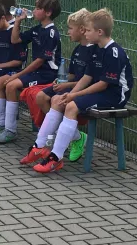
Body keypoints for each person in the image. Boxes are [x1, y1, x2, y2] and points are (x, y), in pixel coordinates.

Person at [30, 8, 134, 173]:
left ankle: (55, 158)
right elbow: (87, 77)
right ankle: (39, 145)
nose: (86, 34)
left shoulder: (113, 52)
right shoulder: (95, 49)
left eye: (89, 31)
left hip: (115, 96)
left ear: (99, 32)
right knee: (58, 100)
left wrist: (74, 96)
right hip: (102, 92)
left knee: (71, 106)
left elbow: (103, 84)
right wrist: (69, 94)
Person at [20, 8, 95, 164]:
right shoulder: (77, 50)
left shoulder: (93, 51)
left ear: (82, 30)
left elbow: (88, 81)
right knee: (41, 96)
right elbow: (73, 76)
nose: (68, 32)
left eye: (70, 28)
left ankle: (60, 142)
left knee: (57, 101)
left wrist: (67, 85)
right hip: (73, 86)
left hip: (84, 90)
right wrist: (61, 81)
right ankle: (74, 136)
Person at [0, 0, 62, 144]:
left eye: (38, 9)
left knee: (12, 84)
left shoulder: (51, 32)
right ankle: (6, 127)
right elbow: (15, 40)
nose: (34, 11)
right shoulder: (37, 29)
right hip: (37, 72)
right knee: (9, 85)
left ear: (48, 12)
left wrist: (18, 75)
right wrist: (18, 21)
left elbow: (40, 61)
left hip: (47, 73)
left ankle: (10, 130)